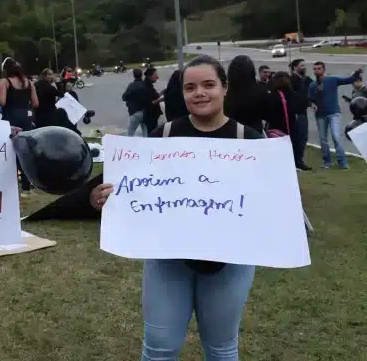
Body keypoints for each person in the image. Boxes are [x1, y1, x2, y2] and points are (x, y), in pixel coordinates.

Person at [89, 54, 261, 361]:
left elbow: (269, 203)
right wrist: (101, 198)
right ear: (181, 93)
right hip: (168, 258)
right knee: (159, 349)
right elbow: (131, 189)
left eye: (208, 85)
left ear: (224, 88)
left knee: (222, 348)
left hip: (230, 261)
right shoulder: (163, 136)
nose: (199, 93)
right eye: (190, 87)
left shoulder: (251, 141)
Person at [309, 61, 362, 169]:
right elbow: (310, 99)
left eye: (319, 68)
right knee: (323, 139)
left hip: (333, 113)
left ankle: (342, 162)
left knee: (336, 136)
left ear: (323, 70)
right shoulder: (312, 85)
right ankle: (327, 162)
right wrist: (311, 104)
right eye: (315, 69)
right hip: (320, 115)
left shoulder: (332, 80)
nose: (316, 71)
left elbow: (348, 80)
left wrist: (357, 73)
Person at [0, 59, 39, 195]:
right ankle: (28, 183)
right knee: (25, 149)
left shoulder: (5, 82)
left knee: (11, 150)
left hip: (11, 118)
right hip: (26, 118)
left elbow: (2, 102)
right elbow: (35, 103)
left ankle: (12, 182)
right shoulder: (28, 82)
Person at [224, 55, 269, 133]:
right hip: (254, 132)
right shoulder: (260, 91)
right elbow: (266, 115)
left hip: (230, 132)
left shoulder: (224, 93)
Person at [289, 59, 313, 171]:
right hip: (296, 113)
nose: (304, 67)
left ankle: (298, 160)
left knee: (303, 137)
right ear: (295, 67)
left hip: (303, 112)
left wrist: (310, 103)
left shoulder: (305, 79)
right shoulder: (292, 80)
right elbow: (297, 97)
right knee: (299, 137)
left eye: (304, 65)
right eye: (301, 65)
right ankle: (297, 161)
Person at [122, 68, 148, 136]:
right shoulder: (146, 84)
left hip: (135, 112)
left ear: (134, 75)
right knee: (146, 132)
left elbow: (124, 97)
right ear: (141, 75)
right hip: (146, 111)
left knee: (130, 133)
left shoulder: (132, 85)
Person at [142, 67, 163, 133]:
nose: (157, 77)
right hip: (150, 116)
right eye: (155, 75)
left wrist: (163, 92)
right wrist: (161, 100)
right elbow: (149, 103)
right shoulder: (146, 87)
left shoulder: (149, 85)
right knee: (152, 133)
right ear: (149, 76)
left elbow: (154, 96)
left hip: (152, 115)